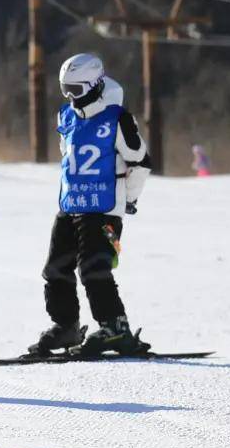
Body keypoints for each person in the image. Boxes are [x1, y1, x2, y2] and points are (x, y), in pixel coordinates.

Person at [30, 52, 151, 357]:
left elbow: (141, 161)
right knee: (55, 268)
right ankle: (66, 326)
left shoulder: (117, 118)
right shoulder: (65, 116)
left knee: (94, 268)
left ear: (96, 85)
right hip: (72, 206)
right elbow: (67, 157)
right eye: (65, 89)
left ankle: (115, 328)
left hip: (105, 208)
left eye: (77, 90)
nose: (71, 97)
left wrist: (131, 198)